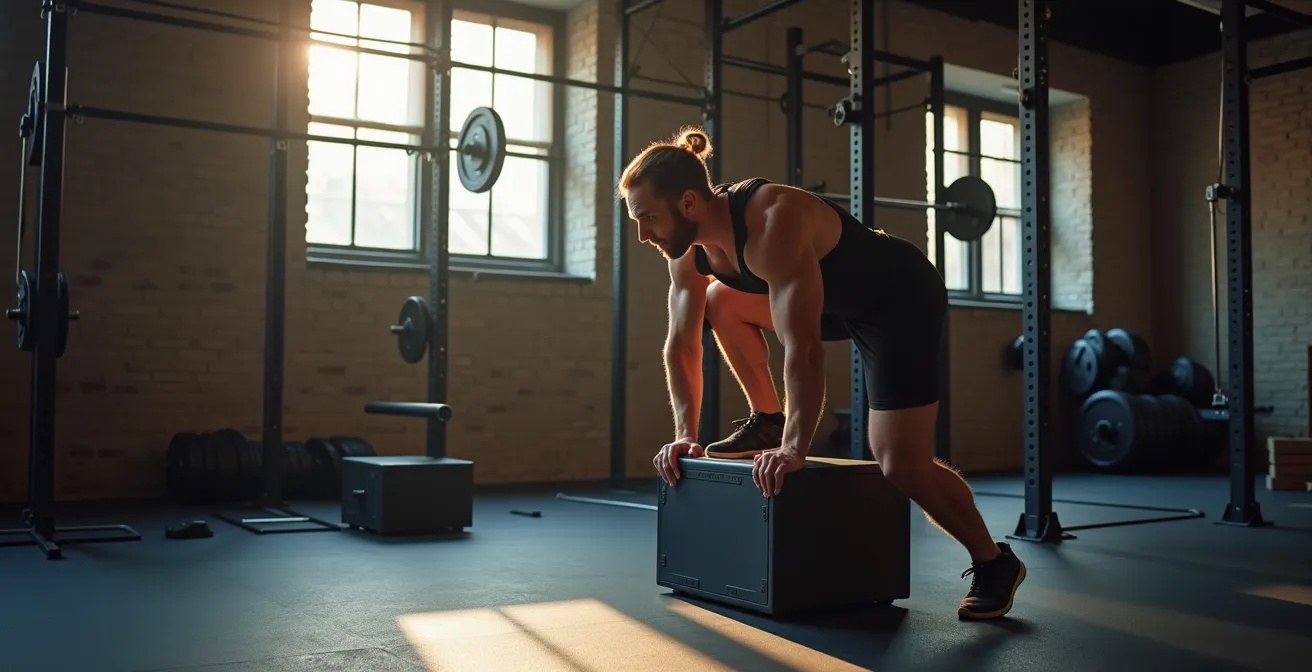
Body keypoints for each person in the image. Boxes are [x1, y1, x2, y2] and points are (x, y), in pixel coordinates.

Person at [619, 126, 1026, 621]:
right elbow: (682, 344)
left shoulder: (774, 220)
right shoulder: (687, 251)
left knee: (901, 462)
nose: (643, 235)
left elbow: (804, 349)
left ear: (687, 203)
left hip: (895, 300)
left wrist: (795, 448)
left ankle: (994, 561)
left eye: (647, 218)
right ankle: (766, 418)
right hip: (830, 303)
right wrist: (686, 434)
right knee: (719, 300)